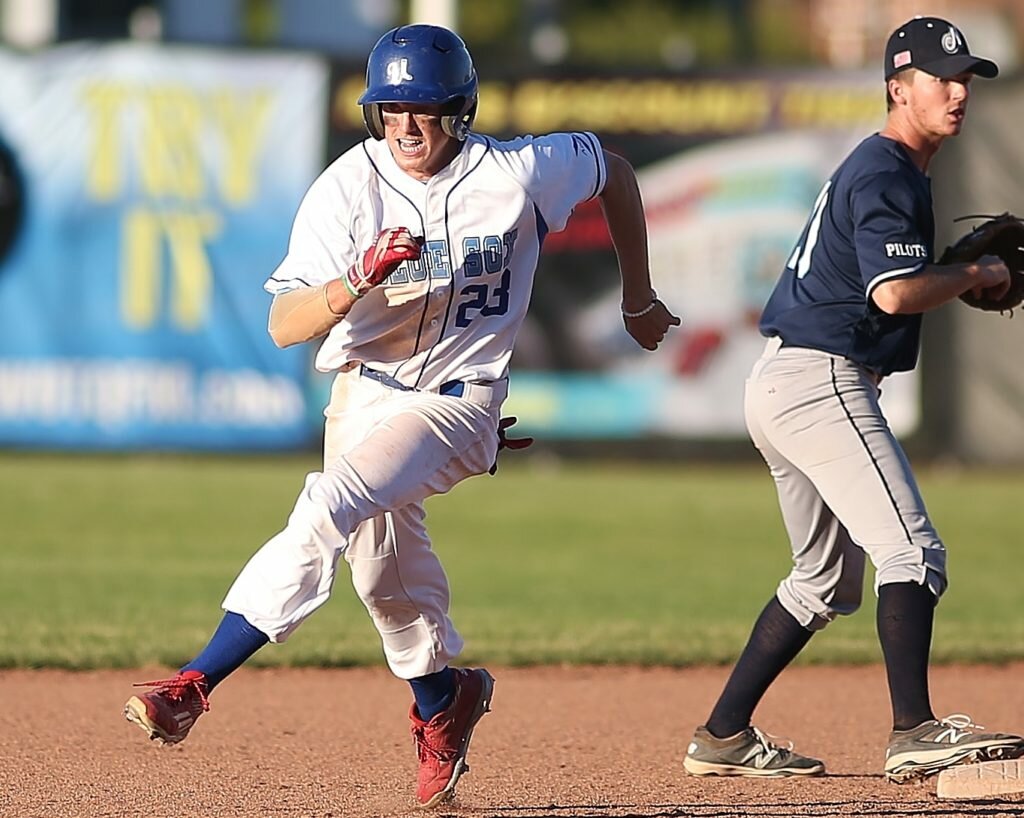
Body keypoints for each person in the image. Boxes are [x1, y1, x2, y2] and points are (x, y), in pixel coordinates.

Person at [123, 23, 679, 808]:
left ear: (462, 108)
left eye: (426, 108)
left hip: (460, 402)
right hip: (365, 394)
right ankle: (443, 702)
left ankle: (194, 683)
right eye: (390, 109)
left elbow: (615, 173)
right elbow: (286, 323)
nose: (407, 126)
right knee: (383, 577)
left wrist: (637, 295)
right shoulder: (349, 186)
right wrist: (357, 279)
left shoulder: (518, 172)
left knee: (329, 503)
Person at [683, 16, 1024, 783]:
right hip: (820, 381)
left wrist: (952, 270)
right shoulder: (887, 172)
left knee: (822, 582)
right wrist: (973, 274)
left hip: (784, 382)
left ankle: (723, 736)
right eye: (942, 78)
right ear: (898, 88)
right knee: (912, 551)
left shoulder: (891, 171)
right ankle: (915, 729)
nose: (959, 92)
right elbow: (898, 293)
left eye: (966, 77)